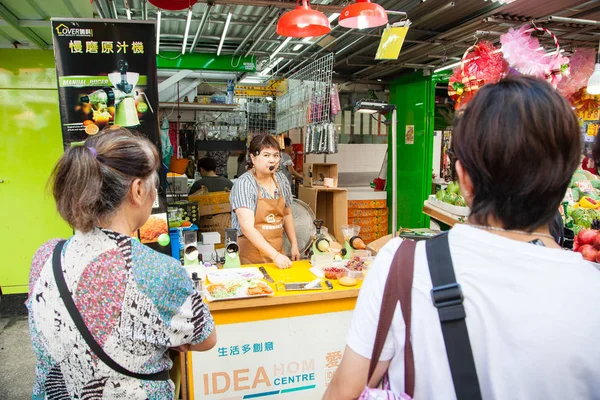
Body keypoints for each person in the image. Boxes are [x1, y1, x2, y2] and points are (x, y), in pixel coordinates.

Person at [324, 77, 600, 399]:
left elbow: (344, 391)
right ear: (569, 178)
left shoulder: (404, 266)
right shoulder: (591, 292)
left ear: (464, 178)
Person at [28, 129, 216, 399]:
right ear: (138, 190)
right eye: (155, 185)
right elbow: (206, 339)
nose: (155, 194)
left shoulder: (46, 255)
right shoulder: (157, 271)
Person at [230, 134, 300, 268]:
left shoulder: (281, 179)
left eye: (276, 155)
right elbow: (247, 228)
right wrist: (274, 255)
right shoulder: (244, 184)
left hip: (279, 256)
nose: (272, 160)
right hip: (250, 258)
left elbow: (287, 214)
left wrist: (294, 244)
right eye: (266, 155)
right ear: (253, 158)